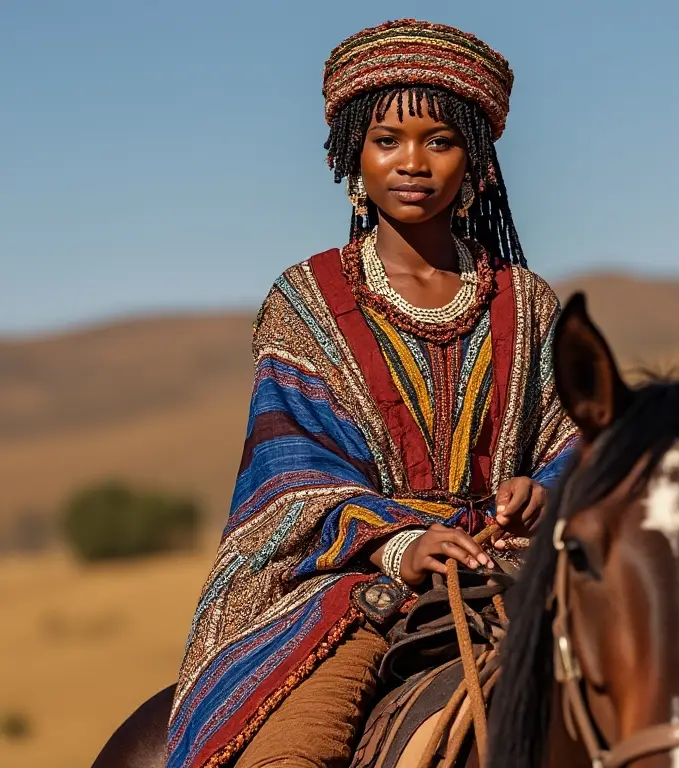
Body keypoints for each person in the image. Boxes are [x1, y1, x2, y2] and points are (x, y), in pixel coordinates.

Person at [165, 18, 579, 768]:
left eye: (441, 141)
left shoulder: (529, 302)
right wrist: (402, 543)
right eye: (387, 139)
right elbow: (291, 480)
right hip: (352, 586)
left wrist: (544, 490)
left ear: (478, 164)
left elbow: (578, 437)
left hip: (513, 568)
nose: (412, 162)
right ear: (352, 155)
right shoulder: (307, 300)